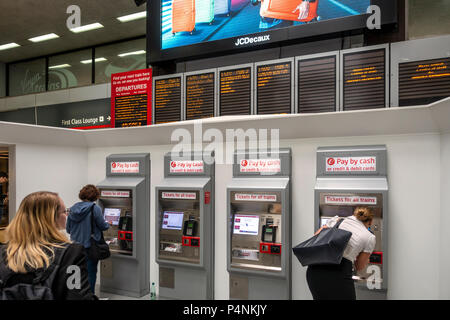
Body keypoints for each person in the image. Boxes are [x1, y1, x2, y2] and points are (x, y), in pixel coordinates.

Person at [0, 191, 95, 300]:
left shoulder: (3, 252)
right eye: (64, 211)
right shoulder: (71, 253)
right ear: (51, 219)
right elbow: (78, 296)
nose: (67, 215)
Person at [306, 207, 376, 300]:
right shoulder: (370, 237)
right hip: (339, 273)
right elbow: (359, 266)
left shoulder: (337, 220)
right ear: (370, 222)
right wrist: (366, 259)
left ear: (354, 215)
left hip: (315, 270)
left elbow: (315, 238)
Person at [66, 184, 109, 294]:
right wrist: (108, 223)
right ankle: (90, 296)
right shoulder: (95, 209)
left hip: (74, 247)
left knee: (78, 273)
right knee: (90, 273)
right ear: (95, 196)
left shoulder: (72, 209)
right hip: (89, 247)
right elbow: (103, 226)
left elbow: (68, 229)